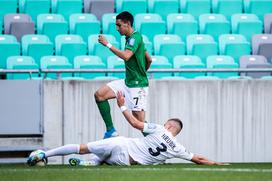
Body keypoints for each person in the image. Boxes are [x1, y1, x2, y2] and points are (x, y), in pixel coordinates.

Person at [27, 92, 225, 166]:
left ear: (170, 126)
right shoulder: (178, 148)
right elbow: (198, 159)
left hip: (123, 146)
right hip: (125, 162)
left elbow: (136, 124)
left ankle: (44, 153)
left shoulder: (159, 129)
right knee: (102, 159)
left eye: (167, 123)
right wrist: (216, 163)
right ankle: (89, 164)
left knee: (84, 147)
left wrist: (122, 105)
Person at [95, 11, 152, 138]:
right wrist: (142, 72)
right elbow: (149, 59)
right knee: (99, 95)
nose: (117, 28)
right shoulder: (132, 39)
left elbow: (126, 56)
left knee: (139, 124)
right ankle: (111, 131)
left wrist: (107, 44)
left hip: (137, 87)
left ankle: (158, 144)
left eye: (119, 25)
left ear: (127, 24)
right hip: (128, 82)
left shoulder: (135, 37)